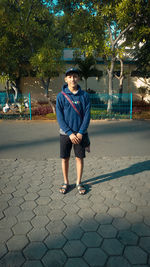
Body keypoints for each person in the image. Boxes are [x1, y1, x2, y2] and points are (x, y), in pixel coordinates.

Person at [56, 67, 91, 195]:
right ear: (66, 79)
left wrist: (81, 132)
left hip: (81, 134)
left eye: (75, 76)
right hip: (66, 134)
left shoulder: (84, 95)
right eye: (70, 77)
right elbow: (59, 116)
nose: (72, 79)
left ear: (78, 78)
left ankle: (78, 182)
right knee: (65, 158)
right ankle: (66, 182)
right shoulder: (61, 96)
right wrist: (70, 133)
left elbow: (87, 115)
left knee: (79, 158)